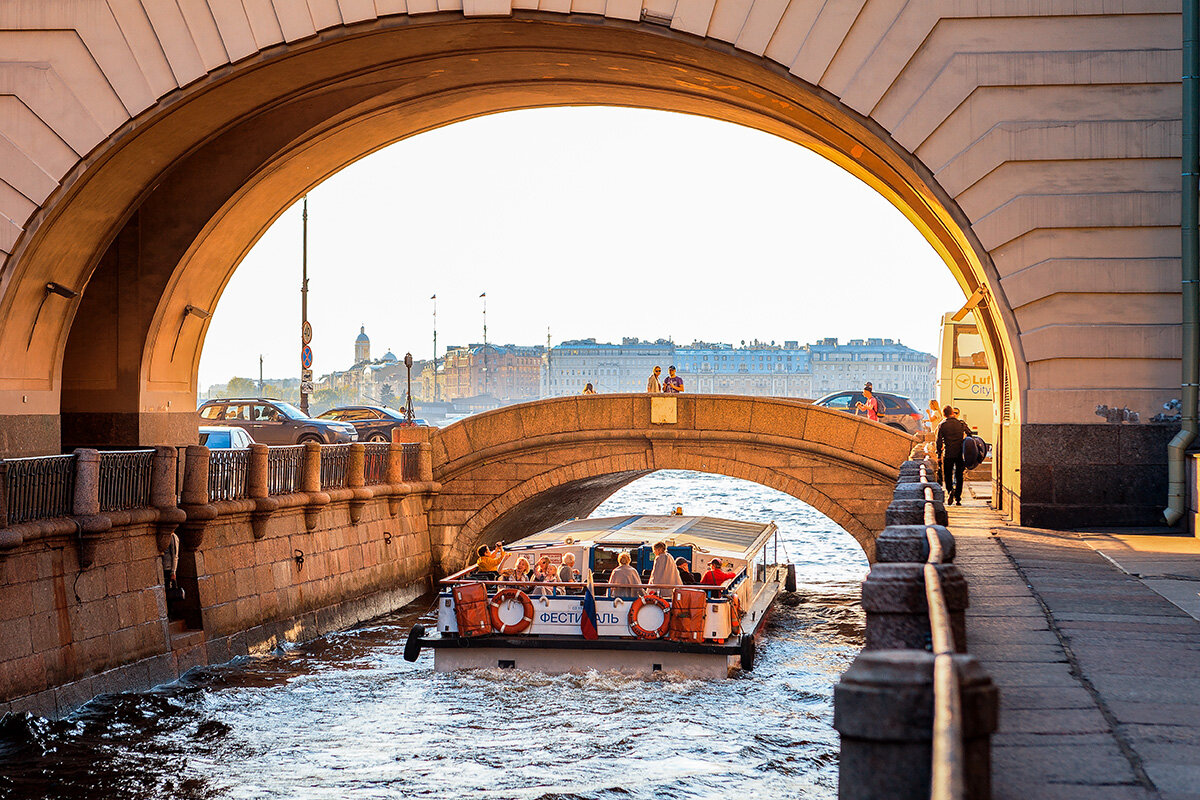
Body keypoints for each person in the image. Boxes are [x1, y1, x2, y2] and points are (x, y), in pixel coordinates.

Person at [936, 405, 971, 506]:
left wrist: (939, 455)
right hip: (960, 453)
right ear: (952, 412)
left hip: (948, 453)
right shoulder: (961, 423)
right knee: (959, 475)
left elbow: (938, 441)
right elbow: (970, 434)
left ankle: (950, 490)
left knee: (947, 475)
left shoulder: (942, 425)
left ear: (944, 414)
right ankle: (958, 498)